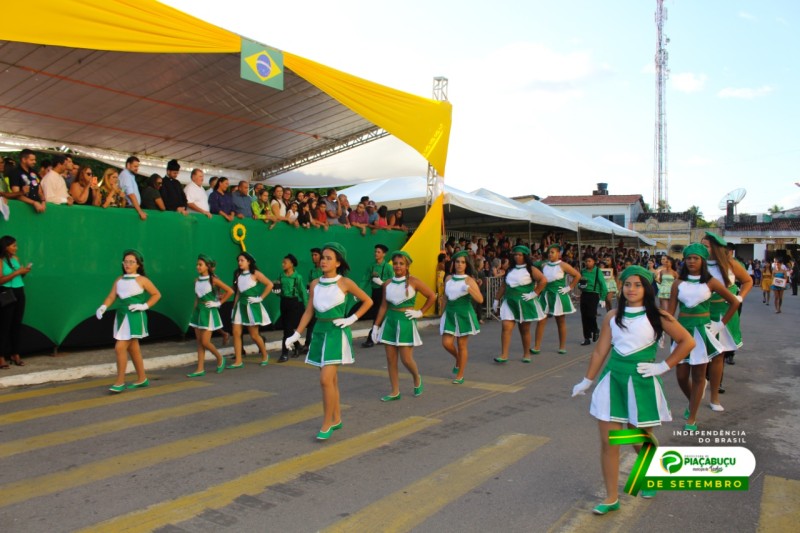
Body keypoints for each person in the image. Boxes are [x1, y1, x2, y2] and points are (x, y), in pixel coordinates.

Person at [571, 266, 695, 514]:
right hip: (613, 380)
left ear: (647, 288)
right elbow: (600, 351)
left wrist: (664, 365)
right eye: (627, 284)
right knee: (609, 442)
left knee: (638, 436)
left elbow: (687, 341)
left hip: (641, 382)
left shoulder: (658, 315)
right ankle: (611, 497)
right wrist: (587, 380)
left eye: (638, 284)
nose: (631, 289)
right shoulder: (612, 316)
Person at [285, 242, 372, 440]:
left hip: (336, 333)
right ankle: (337, 418)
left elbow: (368, 301)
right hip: (318, 333)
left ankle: (327, 423)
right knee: (331, 380)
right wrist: (297, 334)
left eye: (328, 258)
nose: (323, 261)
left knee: (325, 380)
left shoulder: (345, 283)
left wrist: (351, 319)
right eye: (322, 257)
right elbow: (309, 311)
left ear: (338, 262)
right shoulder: (315, 283)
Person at [667, 243, 738, 431]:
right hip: (682, 332)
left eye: (695, 258)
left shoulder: (711, 282)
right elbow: (670, 312)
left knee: (698, 376)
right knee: (681, 376)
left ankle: (692, 418)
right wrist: (661, 332)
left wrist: (721, 324)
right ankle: (693, 401)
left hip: (701, 332)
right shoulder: (677, 283)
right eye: (688, 258)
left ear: (702, 261)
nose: (691, 261)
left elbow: (733, 302)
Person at [371, 250, 435, 399]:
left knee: (406, 359)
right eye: (395, 264)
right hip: (390, 322)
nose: (398, 266)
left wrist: (420, 312)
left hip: (406, 321)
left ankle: (417, 378)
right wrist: (376, 326)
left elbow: (432, 296)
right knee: (390, 359)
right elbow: (383, 307)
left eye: (401, 264)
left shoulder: (414, 281)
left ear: (407, 266)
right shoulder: (387, 283)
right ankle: (395, 391)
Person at [95, 250, 161, 392]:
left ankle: (119, 382)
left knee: (120, 347)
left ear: (138, 264)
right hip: (121, 316)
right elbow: (112, 296)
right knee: (133, 348)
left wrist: (144, 305)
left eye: (131, 262)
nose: (128, 264)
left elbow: (156, 294)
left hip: (135, 316)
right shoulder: (119, 280)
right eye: (126, 261)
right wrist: (103, 306)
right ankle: (142, 378)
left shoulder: (142, 280)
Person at [701, 232, 752, 406]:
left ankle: (714, 396)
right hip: (702, 313)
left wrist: (740, 298)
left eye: (706, 246)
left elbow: (747, 281)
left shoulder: (730, 264)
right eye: (701, 245)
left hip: (724, 314)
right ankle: (698, 390)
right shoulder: (697, 263)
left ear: (715, 248)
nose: (703, 249)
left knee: (718, 356)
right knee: (700, 355)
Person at [492, 245, 547, 363]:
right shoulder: (510, 269)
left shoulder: (531, 269)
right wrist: (496, 300)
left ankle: (526, 354)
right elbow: (504, 285)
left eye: (520, 255)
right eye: (515, 254)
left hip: (524, 302)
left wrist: (535, 293)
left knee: (524, 329)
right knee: (506, 327)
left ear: (525, 256)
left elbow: (543, 280)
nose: (517, 257)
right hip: (509, 301)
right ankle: (504, 355)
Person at [440, 250, 484, 383]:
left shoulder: (469, 280)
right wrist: (442, 314)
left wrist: (468, 289)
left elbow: (480, 299)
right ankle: (458, 359)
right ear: (453, 263)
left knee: (461, 344)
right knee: (446, 343)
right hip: (450, 313)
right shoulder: (448, 278)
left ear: (466, 265)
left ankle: (460, 374)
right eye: (457, 262)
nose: (460, 264)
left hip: (464, 314)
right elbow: (445, 298)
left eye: (462, 262)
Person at [187, 255, 234, 377]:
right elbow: (197, 298)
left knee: (205, 341)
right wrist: (193, 311)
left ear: (207, 266)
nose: (198, 267)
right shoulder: (196, 281)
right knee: (199, 342)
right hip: (198, 312)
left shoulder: (213, 280)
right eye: (197, 264)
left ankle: (220, 358)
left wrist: (218, 303)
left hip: (209, 312)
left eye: (200, 264)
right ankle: (200, 369)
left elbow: (230, 291)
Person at [534, 245, 581, 354]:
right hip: (546, 295)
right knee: (541, 320)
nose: (550, 254)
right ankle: (536, 346)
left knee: (560, 321)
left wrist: (569, 287)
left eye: (553, 252)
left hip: (558, 295)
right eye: (549, 252)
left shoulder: (563, 265)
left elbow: (577, 275)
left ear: (559, 253)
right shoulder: (544, 264)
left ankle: (562, 346)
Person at [230, 252, 273, 367]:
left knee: (254, 335)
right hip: (240, 305)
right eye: (238, 260)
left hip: (251, 305)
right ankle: (238, 361)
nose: (239, 262)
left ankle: (264, 355)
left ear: (248, 261)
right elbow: (238, 293)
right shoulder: (238, 274)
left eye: (242, 260)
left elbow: (270, 284)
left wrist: (260, 298)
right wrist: (234, 308)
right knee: (236, 333)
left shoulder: (255, 273)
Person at [0, 236, 31, 368]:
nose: (16, 248)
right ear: (6, 247)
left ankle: (15, 353)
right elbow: (1, 280)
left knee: (17, 324)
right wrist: (17, 272)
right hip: (7, 293)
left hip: (19, 291)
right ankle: (1, 356)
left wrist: (23, 272)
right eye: (13, 245)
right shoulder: (0, 261)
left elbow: (18, 275)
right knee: (4, 325)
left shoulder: (15, 259)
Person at [277, 254, 307, 362]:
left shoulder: (297, 277)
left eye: (285, 262)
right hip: (283, 302)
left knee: (287, 330)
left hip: (293, 303)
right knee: (286, 328)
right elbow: (279, 291)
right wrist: (276, 291)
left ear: (292, 264)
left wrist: (307, 306)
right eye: (282, 262)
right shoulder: (281, 275)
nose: (283, 264)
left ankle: (284, 353)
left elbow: (303, 292)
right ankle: (297, 345)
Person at [362, 244, 393, 347]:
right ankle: (383, 336)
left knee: (377, 315)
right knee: (380, 315)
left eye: (378, 252)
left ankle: (371, 338)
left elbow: (393, 282)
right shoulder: (371, 266)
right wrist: (358, 291)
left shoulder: (388, 267)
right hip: (374, 293)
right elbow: (365, 279)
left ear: (384, 254)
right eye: (375, 251)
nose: (376, 253)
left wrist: (381, 282)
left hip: (384, 293)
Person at [579, 254, 608, 346]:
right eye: (586, 261)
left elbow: (603, 285)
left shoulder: (597, 271)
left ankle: (595, 329)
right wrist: (580, 285)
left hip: (593, 294)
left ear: (594, 262)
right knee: (584, 316)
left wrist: (603, 298)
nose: (587, 263)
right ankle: (586, 338)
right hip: (584, 294)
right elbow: (579, 282)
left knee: (591, 315)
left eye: (589, 261)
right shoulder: (582, 271)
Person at [8, 149, 46, 213]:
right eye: (32, 160)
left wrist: (43, 201)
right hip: (22, 208)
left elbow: (40, 191)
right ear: (24, 160)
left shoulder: (34, 172)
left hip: (38, 207)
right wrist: (33, 202)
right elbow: (16, 194)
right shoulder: (15, 172)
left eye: (35, 160)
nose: (35, 162)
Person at [117, 156, 147, 220]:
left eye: (137, 166)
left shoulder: (129, 175)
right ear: (128, 165)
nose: (137, 168)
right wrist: (140, 211)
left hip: (132, 208)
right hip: (129, 209)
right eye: (135, 166)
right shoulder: (126, 175)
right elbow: (131, 195)